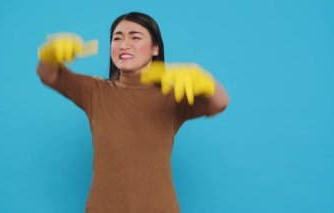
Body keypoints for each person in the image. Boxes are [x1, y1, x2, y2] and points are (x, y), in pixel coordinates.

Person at [36, 12, 229, 213]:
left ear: (155, 48)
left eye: (135, 37)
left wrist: (207, 81)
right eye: (117, 38)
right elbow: (48, 74)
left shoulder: (172, 94)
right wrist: (49, 55)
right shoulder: (95, 91)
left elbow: (220, 103)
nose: (123, 44)